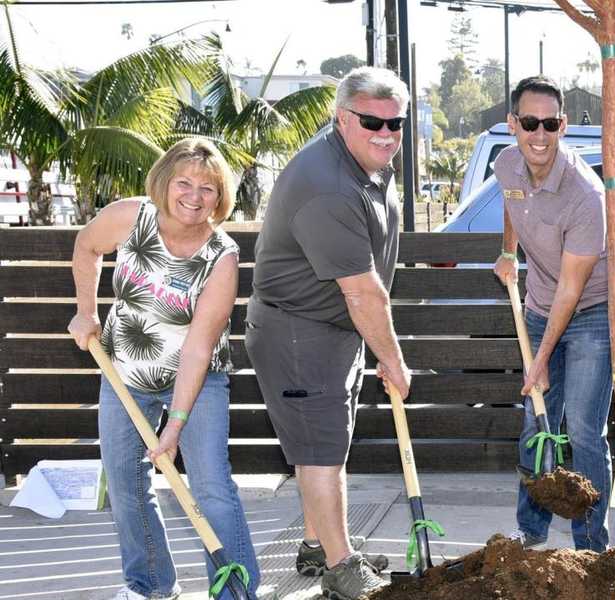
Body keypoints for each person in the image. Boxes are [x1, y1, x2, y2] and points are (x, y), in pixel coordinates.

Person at [67, 138, 260, 600]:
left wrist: (175, 425)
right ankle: (150, 586)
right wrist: (86, 310)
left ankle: (237, 593)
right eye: (185, 183)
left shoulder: (222, 258)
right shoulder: (130, 217)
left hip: (197, 380)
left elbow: (196, 350)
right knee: (125, 481)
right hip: (124, 373)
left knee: (210, 485)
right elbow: (86, 246)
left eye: (209, 188)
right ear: (164, 182)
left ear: (221, 197)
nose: (195, 196)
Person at [245, 66, 412, 599]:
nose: (386, 134)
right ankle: (342, 571)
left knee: (324, 444)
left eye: (396, 123)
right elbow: (363, 292)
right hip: (301, 333)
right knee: (319, 451)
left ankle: (319, 547)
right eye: (372, 122)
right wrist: (394, 358)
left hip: (332, 328)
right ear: (342, 119)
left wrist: (371, 344)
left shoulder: (362, 157)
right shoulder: (328, 187)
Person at [492, 75, 613, 551]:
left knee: (583, 430)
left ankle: (590, 543)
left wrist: (539, 359)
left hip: (590, 313)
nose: (538, 135)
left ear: (563, 126)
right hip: (541, 305)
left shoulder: (586, 194)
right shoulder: (507, 165)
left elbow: (571, 290)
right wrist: (508, 252)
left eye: (548, 124)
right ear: (512, 125)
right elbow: (512, 203)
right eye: (529, 123)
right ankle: (532, 529)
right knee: (536, 423)